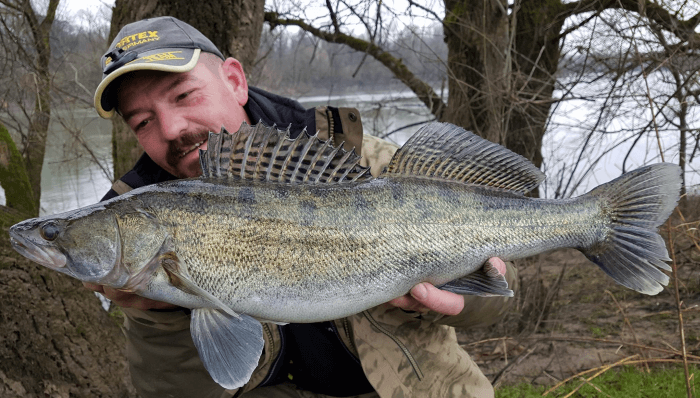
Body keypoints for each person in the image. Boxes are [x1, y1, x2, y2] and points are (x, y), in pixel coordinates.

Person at [87, 16, 519, 398]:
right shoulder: (138, 223)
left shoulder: (367, 166)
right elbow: (173, 391)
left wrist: (457, 299)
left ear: (235, 81)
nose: (171, 129)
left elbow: (504, 284)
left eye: (183, 95)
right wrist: (163, 317)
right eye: (142, 121)